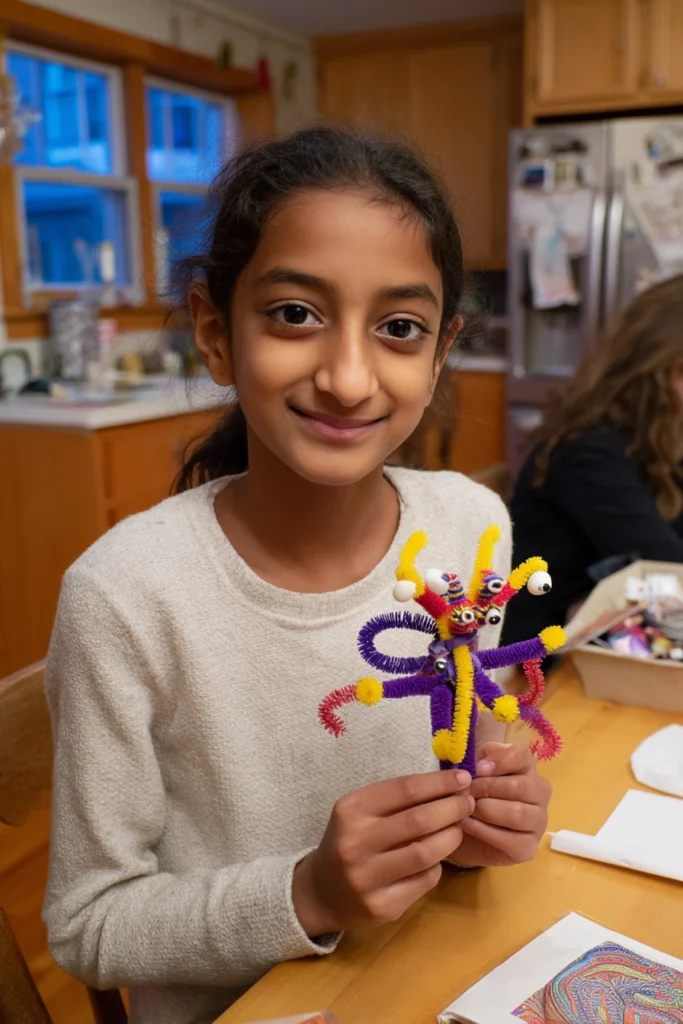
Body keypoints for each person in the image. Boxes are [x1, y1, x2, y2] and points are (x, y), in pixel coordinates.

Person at [44, 127, 552, 1024]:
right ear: (214, 331)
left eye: (399, 329)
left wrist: (486, 819)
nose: (349, 378)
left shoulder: (471, 526)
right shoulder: (126, 595)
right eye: (294, 314)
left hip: (432, 977)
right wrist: (307, 892)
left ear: (438, 355)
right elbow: (88, 924)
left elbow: (479, 740)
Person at [502, 275, 683, 648]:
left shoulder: (665, 438)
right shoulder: (588, 452)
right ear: (653, 373)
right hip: (536, 661)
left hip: (614, 639)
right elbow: (667, 571)